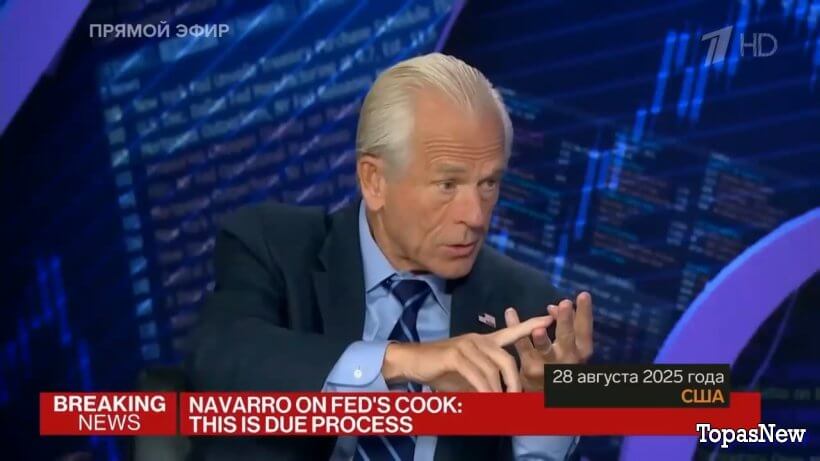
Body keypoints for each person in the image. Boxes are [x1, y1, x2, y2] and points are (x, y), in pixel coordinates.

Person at [186, 52, 594, 461]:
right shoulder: (274, 246)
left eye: (488, 184)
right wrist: (402, 361)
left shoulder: (531, 311)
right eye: (448, 185)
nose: (475, 216)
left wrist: (543, 414)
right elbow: (222, 357)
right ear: (374, 180)